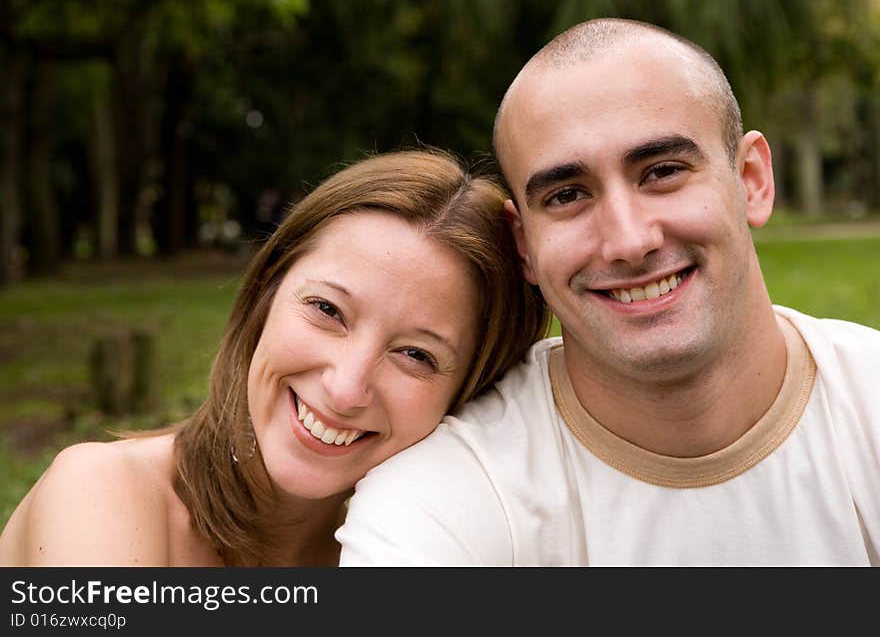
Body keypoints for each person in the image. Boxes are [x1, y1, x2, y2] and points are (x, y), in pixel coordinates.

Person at [337, 18, 880, 566]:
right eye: (568, 194)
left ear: (751, 181)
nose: (628, 240)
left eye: (663, 171)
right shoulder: (449, 499)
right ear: (523, 244)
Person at [0, 148, 549, 566]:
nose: (345, 387)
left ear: (471, 390)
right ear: (265, 294)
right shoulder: (101, 492)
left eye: (415, 354)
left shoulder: (413, 554)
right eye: (328, 310)